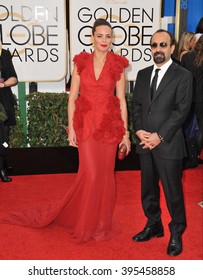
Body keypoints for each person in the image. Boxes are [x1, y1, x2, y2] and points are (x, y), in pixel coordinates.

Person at [0, 18, 130, 242]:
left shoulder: (117, 66)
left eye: (108, 36)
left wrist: (125, 133)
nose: (104, 40)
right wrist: (71, 129)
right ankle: (86, 222)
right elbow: (72, 99)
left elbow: (121, 101)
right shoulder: (80, 63)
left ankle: (100, 222)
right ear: (91, 37)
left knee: (105, 175)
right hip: (87, 125)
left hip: (109, 128)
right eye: (100, 35)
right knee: (89, 174)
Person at [132, 29, 193, 256]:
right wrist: (138, 130)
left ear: (172, 48)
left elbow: (181, 111)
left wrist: (159, 135)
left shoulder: (183, 75)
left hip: (168, 144)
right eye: (154, 45)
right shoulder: (142, 74)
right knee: (147, 190)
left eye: (163, 45)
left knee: (173, 192)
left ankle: (176, 232)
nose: (158, 49)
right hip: (145, 143)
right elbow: (136, 106)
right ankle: (153, 224)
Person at [181, 35, 203, 164]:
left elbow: (182, 77)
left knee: (185, 127)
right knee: (201, 129)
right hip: (201, 99)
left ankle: (188, 155)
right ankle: (194, 157)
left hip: (187, 97)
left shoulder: (187, 57)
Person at [0, 40, 18, 182]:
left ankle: (2, 167)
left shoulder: (5, 54)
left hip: (3, 100)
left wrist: (3, 84)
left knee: (4, 137)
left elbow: (14, 78)